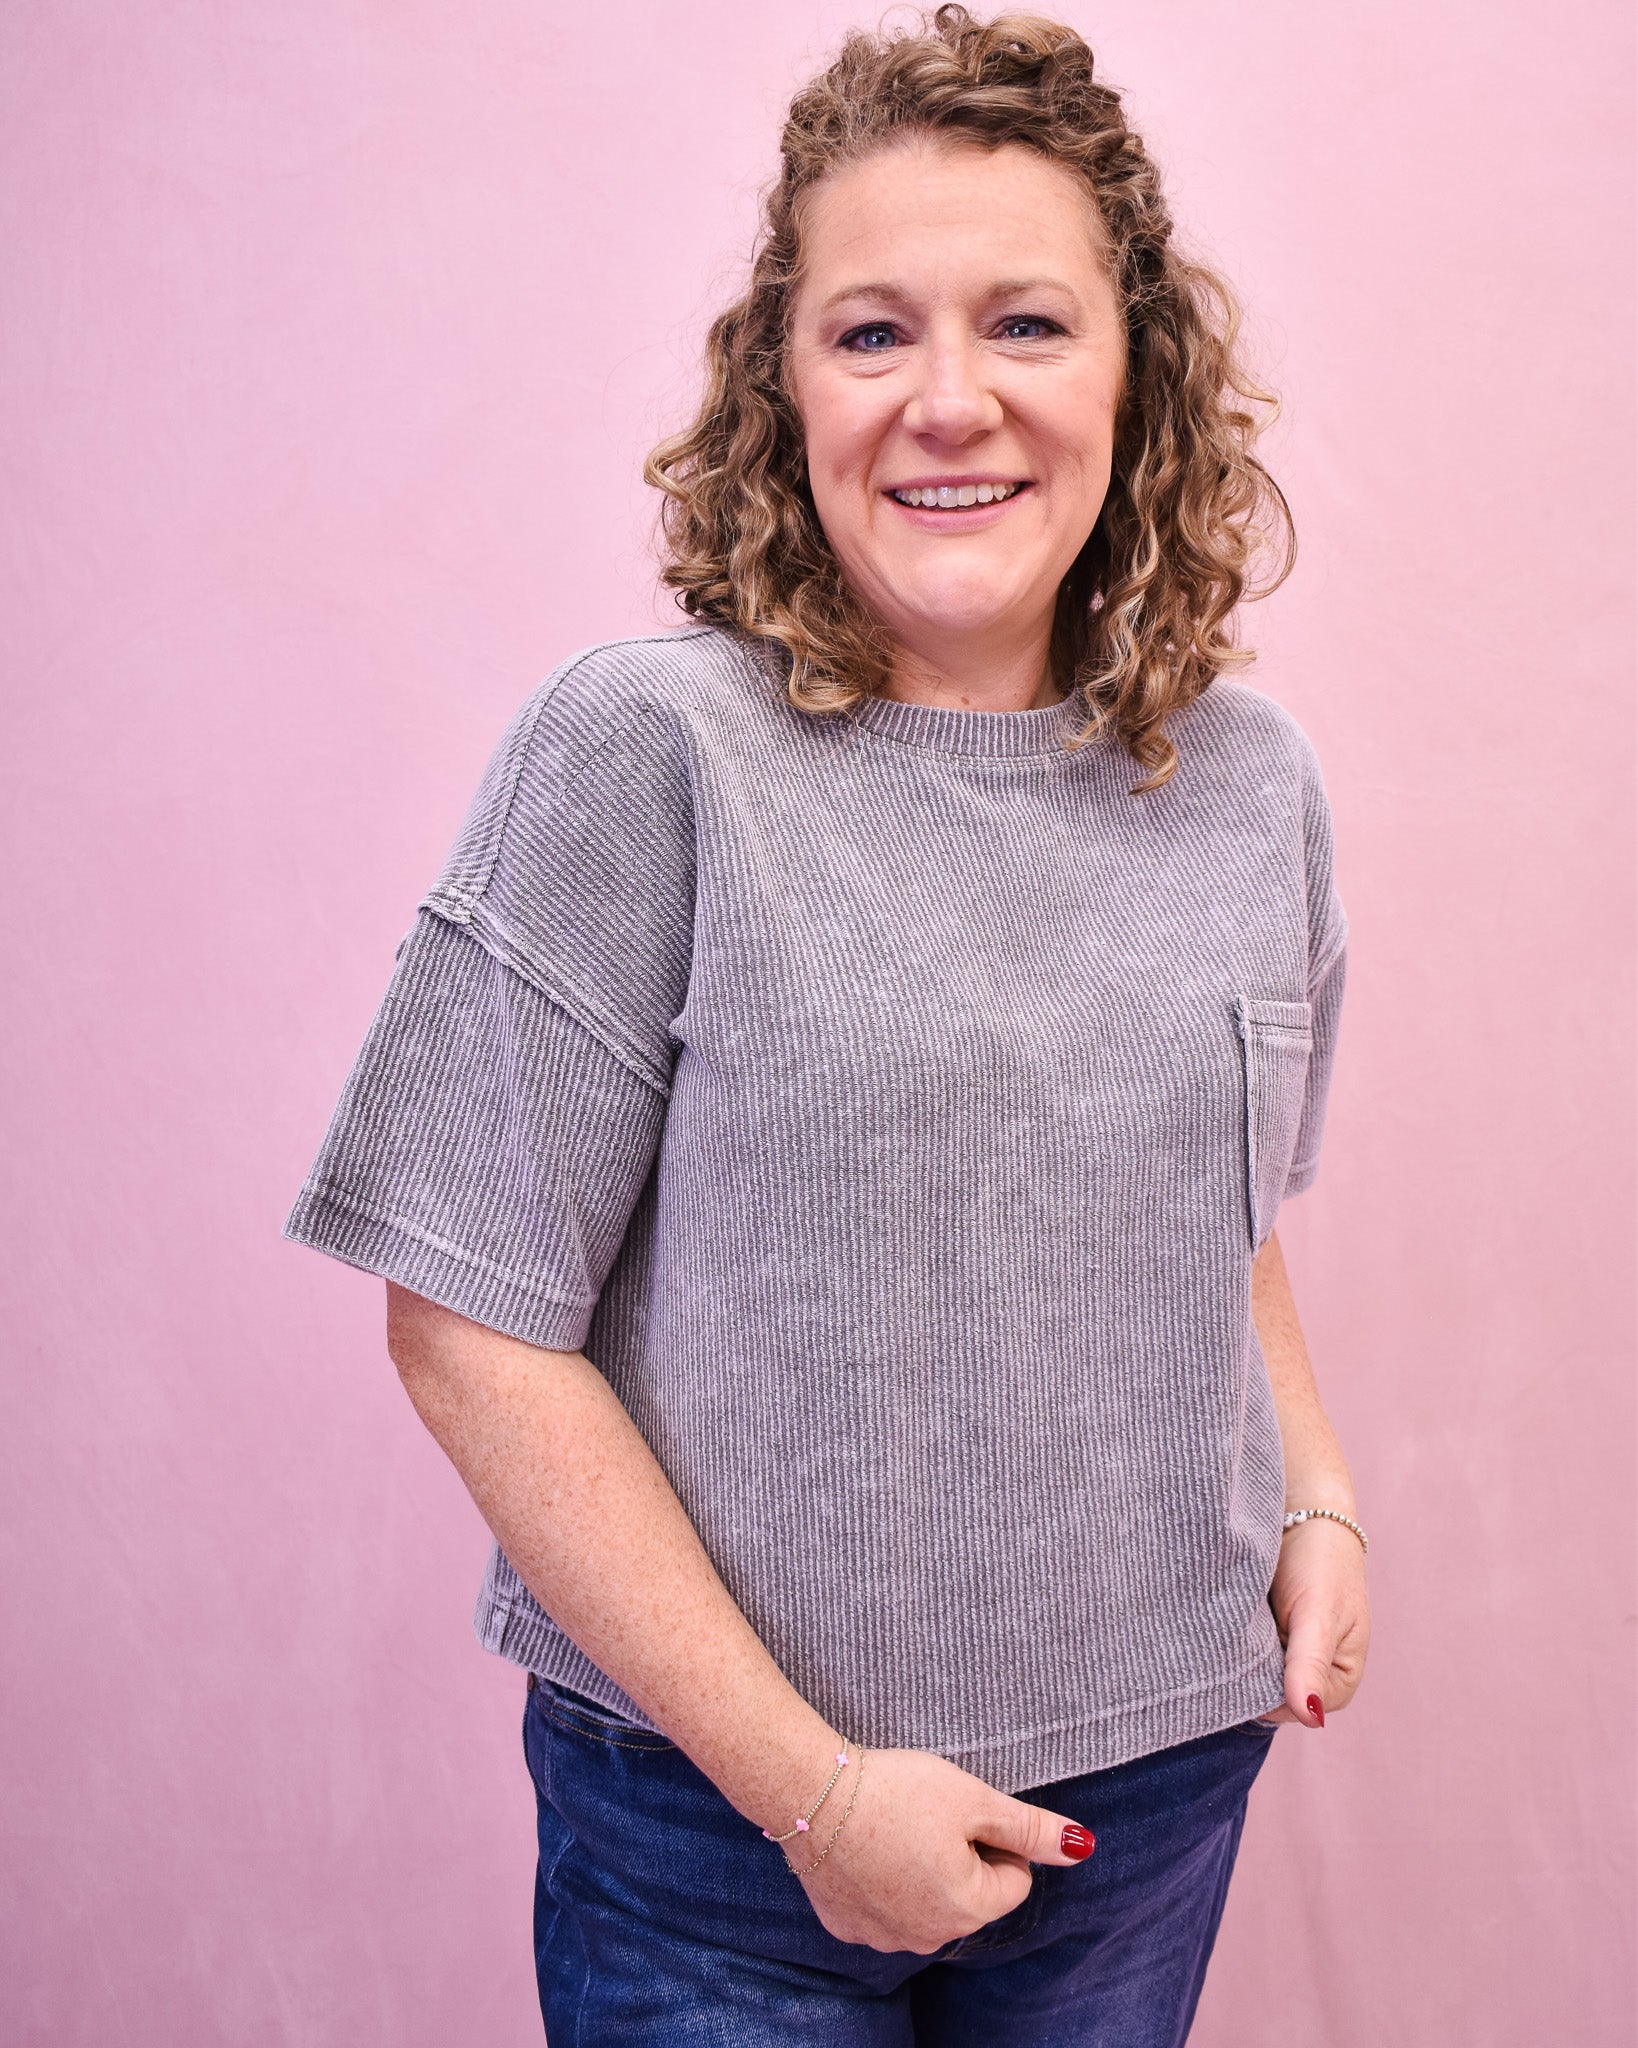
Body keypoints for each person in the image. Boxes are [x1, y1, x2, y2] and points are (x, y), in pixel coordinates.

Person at [285, 8, 1370, 2040]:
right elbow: (466, 1319)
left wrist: (1314, 1490)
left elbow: (1212, 1207)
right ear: (781, 389)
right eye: (872, 333)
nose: (948, 399)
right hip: (721, 1840)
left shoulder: (1253, 780)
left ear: (1139, 374)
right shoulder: (647, 749)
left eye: (1026, 324)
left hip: (1154, 1786)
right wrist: (812, 1788)